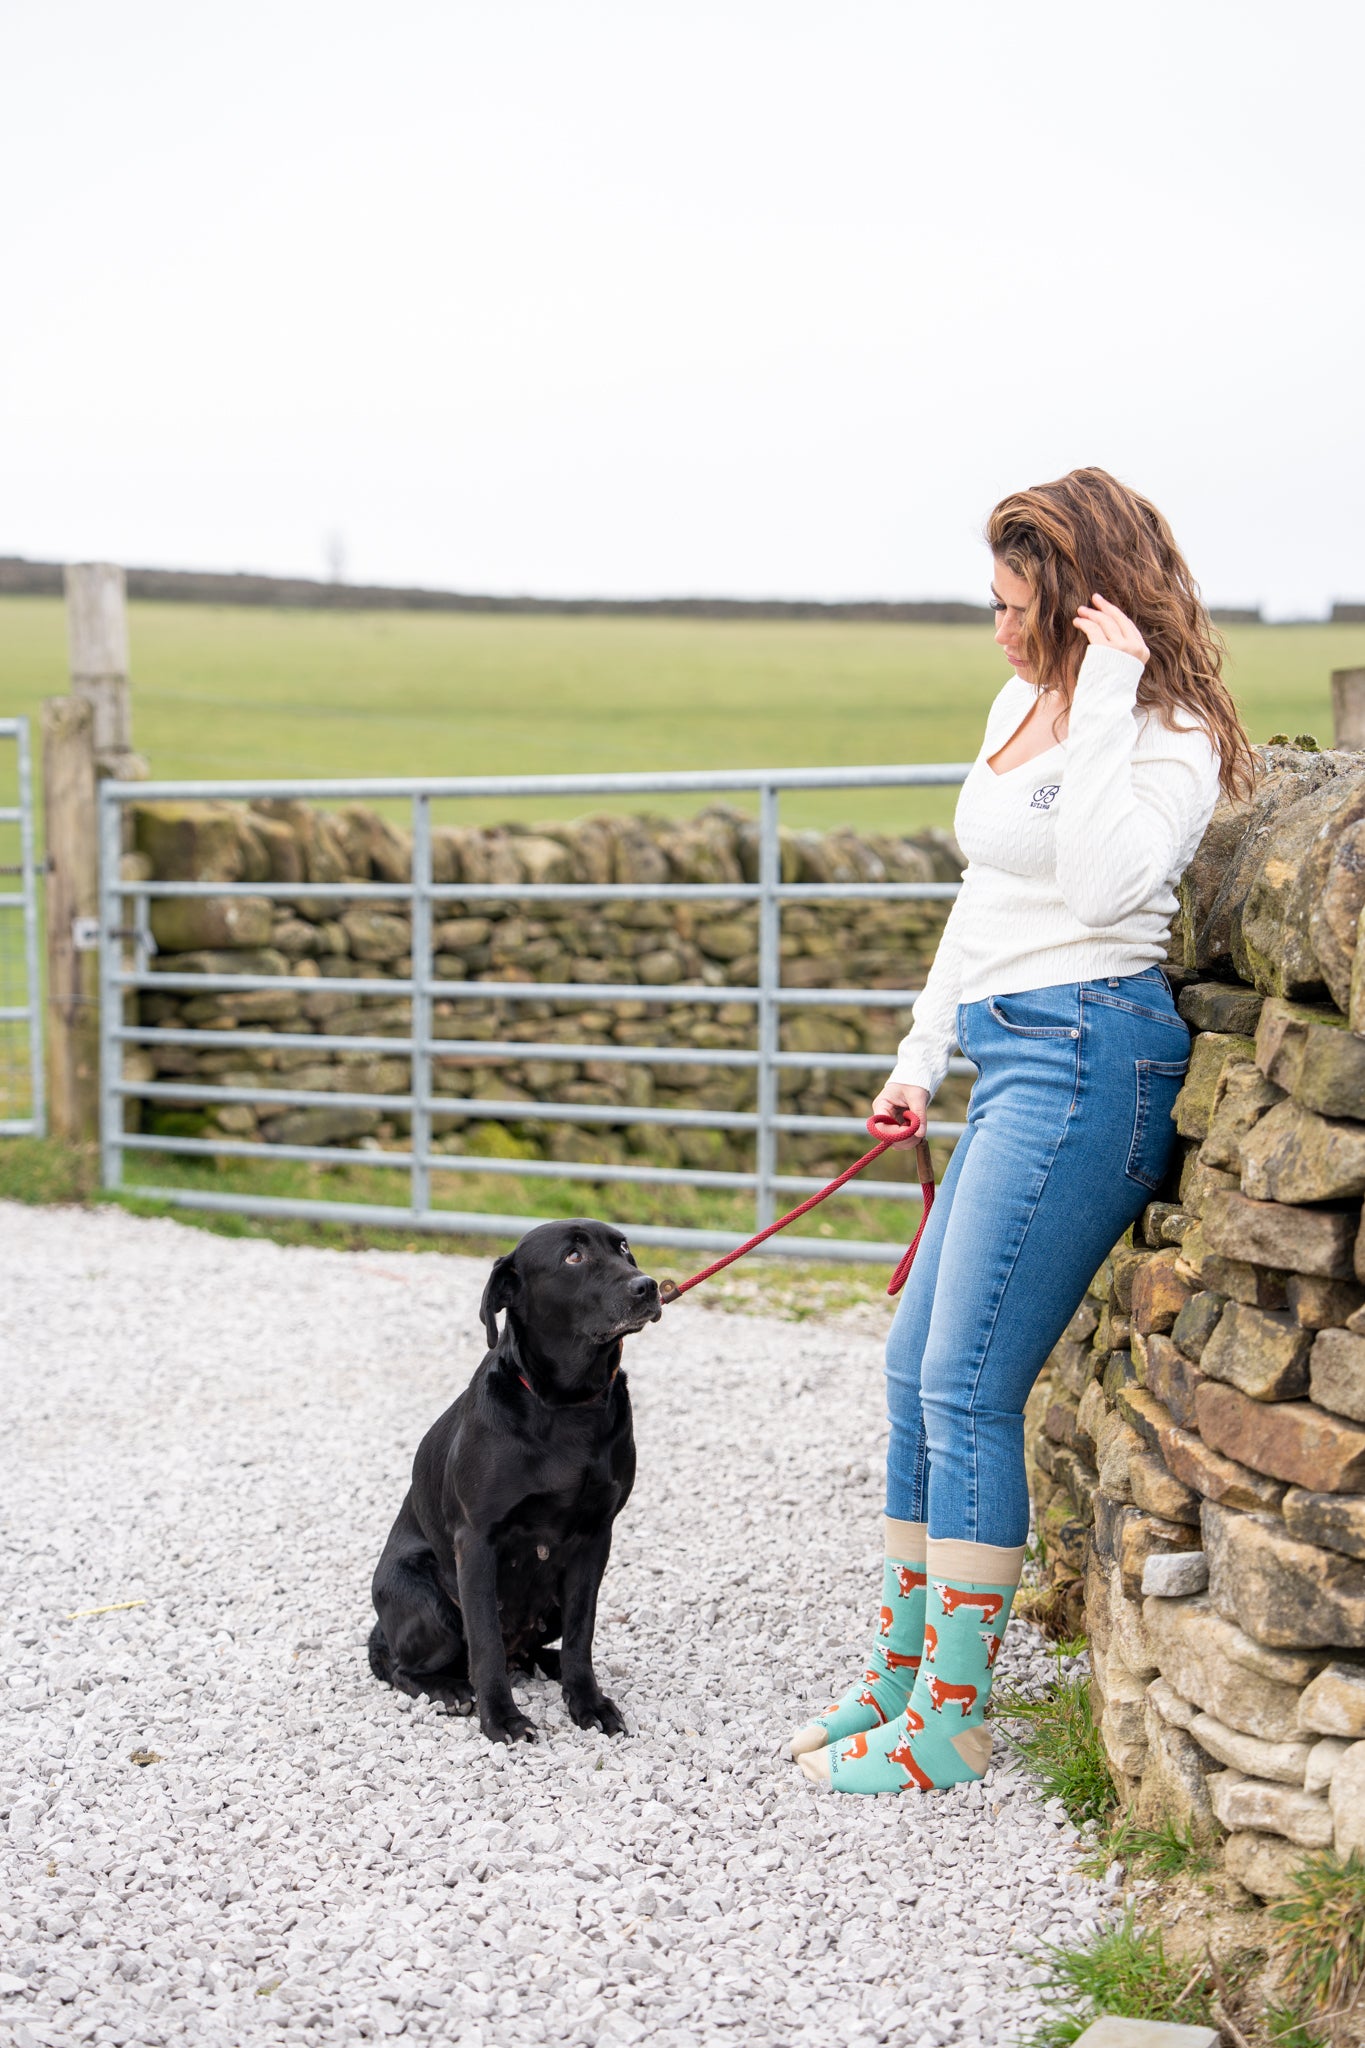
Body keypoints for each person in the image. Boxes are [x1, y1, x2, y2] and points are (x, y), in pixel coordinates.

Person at [792, 467, 1255, 1794]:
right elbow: (984, 894)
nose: (997, 629)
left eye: (1017, 606)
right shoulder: (1018, 698)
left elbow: (1106, 882)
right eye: (992, 603)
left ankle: (949, 1718)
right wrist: (918, 1056)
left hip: (1084, 1055)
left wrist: (1105, 700)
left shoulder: (1157, 732)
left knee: (965, 1390)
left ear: (1081, 605)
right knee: (905, 1377)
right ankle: (893, 1679)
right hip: (1005, 1050)